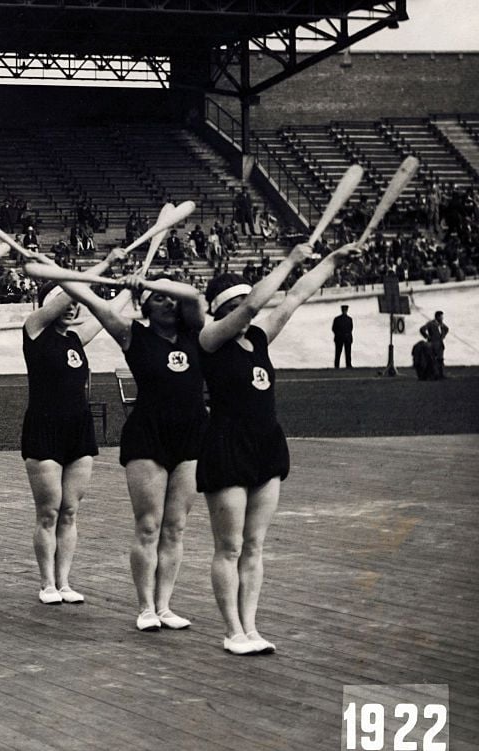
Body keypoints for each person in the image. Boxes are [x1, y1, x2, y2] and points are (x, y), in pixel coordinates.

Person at [198, 241, 357, 655]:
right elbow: (252, 305)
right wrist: (287, 260)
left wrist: (330, 262)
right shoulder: (210, 339)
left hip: (266, 445)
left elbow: (297, 295)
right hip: (227, 446)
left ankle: (250, 626)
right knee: (229, 546)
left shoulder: (260, 338)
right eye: (234, 303)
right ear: (221, 310)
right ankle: (231, 630)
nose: (248, 309)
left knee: (254, 545)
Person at [60, 262, 205, 629]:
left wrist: (152, 282)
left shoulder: (197, 333)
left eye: (171, 297)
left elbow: (196, 297)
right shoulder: (131, 335)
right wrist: (122, 283)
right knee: (149, 525)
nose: (168, 303)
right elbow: (90, 299)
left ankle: (166, 605)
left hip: (192, 436)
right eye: (158, 298)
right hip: (147, 437)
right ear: (145, 306)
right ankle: (146, 608)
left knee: (176, 527)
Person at [21, 249, 132, 605]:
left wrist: (129, 283)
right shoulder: (34, 330)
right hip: (44, 429)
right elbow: (74, 291)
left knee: (70, 510)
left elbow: (107, 312)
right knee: (49, 510)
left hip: (78, 430)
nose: (72, 307)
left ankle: (65, 581)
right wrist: (104, 266)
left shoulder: (75, 338)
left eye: (74, 303)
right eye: (63, 301)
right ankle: (46, 582)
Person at [420, 311, 449, 379]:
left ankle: (441, 374)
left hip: (440, 344)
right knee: (433, 359)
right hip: (433, 344)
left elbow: (447, 329)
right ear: (438, 316)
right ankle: (434, 374)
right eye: (441, 316)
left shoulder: (441, 324)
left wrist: (443, 335)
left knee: (440, 359)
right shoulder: (431, 323)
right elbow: (422, 329)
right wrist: (427, 337)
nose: (442, 318)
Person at [331, 304, 354, 369]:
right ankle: (347, 365)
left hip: (340, 338)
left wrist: (338, 334)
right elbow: (351, 329)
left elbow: (333, 328)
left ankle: (337, 365)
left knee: (340, 352)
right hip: (345, 337)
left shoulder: (337, 319)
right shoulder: (349, 319)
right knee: (345, 352)